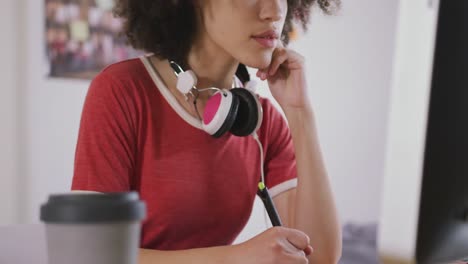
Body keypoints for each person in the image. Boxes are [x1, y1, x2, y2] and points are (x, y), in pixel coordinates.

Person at [71, 0, 342, 263]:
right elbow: (91, 253)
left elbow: (319, 256)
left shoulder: (262, 121)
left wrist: (300, 112)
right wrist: (236, 258)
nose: (274, 11)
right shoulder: (122, 91)